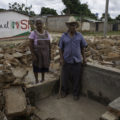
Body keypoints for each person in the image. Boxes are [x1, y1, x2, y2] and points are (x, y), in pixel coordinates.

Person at [58, 17, 88, 100]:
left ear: (76, 26)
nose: (72, 26)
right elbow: (60, 48)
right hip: (66, 60)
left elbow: (83, 48)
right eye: (71, 25)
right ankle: (64, 91)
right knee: (65, 78)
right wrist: (61, 59)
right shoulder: (64, 36)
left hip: (77, 61)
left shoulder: (80, 35)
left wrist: (84, 58)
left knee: (76, 79)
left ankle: (75, 94)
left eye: (74, 25)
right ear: (68, 26)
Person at [29, 19, 51, 83]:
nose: (39, 25)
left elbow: (49, 44)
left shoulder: (47, 33)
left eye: (40, 23)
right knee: (35, 67)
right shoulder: (33, 33)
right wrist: (33, 55)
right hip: (37, 54)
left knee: (43, 66)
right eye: (37, 24)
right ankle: (36, 80)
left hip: (45, 54)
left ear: (43, 24)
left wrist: (49, 54)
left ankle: (43, 79)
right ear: (35, 25)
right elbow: (30, 44)